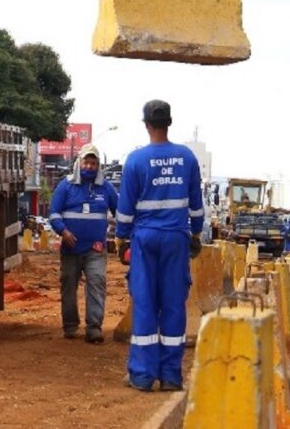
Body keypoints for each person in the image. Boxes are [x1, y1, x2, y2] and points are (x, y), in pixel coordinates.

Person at [115, 100, 204, 393]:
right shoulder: (187, 158)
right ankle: (170, 377)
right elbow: (196, 206)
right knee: (173, 305)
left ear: (146, 124)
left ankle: (142, 375)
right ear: (169, 122)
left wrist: (121, 238)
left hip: (145, 239)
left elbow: (125, 209)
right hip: (177, 238)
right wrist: (195, 234)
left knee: (145, 305)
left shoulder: (136, 160)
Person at [48, 143, 118, 344]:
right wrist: (63, 231)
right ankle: (70, 326)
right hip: (70, 249)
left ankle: (94, 327)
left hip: (95, 248)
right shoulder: (66, 186)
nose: (89, 166)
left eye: (93, 162)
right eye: (86, 161)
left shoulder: (106, 188)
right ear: (79, 162)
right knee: (68, 284)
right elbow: (53, 213)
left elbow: (120, 212)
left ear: (98, 165)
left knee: (97, 282)